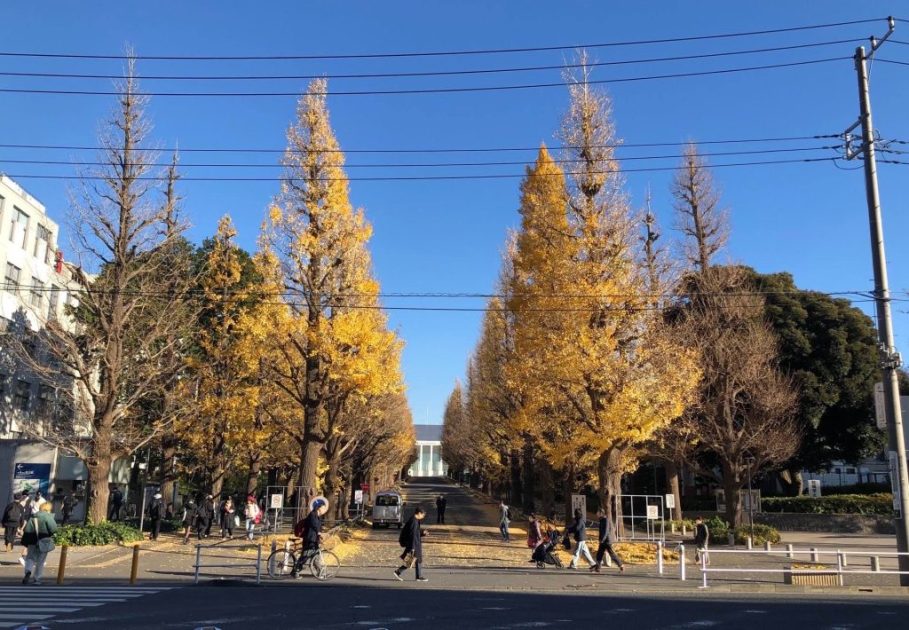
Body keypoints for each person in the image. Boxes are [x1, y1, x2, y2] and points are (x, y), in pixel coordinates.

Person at [21, 501, 57, 585]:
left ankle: (28, 571)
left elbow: (26, 530)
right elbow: (54, 529)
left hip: (32, 541)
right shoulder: (48, 517)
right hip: (44, 540)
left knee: (30, 558)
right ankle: (37, 578)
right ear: (48, 509)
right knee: (41, 561)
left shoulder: (33, 517)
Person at [393, 505, 428, 582]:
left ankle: (418, 576)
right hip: (413, 544)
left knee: (418, 559)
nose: (423, 516)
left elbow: (416, 533)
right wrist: (412, 547)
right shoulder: (413, 521)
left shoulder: (415, 520)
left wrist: (422, 533)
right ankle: (398, 572)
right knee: (410, 560)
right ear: (419, 513)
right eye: (423, 515)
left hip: (415, 543)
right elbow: (412, 534)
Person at [592, 508, 624, 573]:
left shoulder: (606, 520)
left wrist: (602, 539)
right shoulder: (601, 520)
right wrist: (600, 539)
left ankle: (621, 565)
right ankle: (598, 568)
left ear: (601, 513)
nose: (596, 514)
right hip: (603, 540)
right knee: (599, 554)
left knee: (611, 554)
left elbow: (606, 531)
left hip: (607, 540)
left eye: (597, 512)